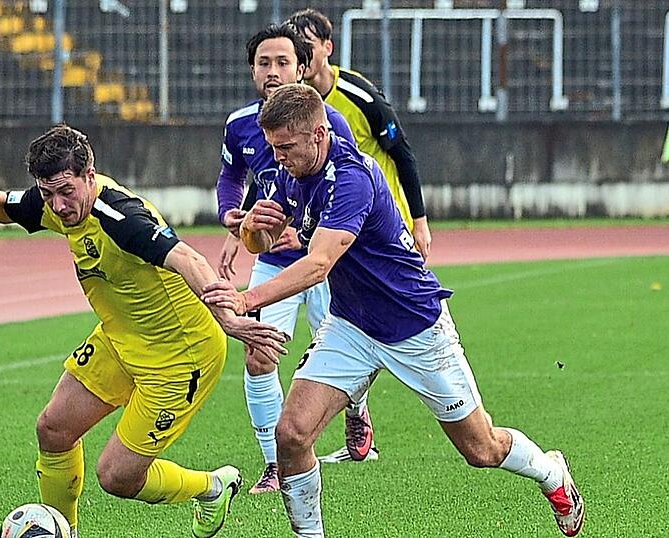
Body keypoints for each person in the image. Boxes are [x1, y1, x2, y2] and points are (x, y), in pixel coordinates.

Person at [202, 84, 585, 537]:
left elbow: (318, 263)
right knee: (292, 434)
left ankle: (551, 473)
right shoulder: (292, 173)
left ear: (318, 134)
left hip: (415, 326)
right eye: (273, 148)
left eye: (285, 147)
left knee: (481, 448)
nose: (278, 157)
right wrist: (253, 230)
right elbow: (268, 242)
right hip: (351, 327)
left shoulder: (352, 178)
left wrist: (246, 300)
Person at [0, 124, 288, 538]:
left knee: (117, 476)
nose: (58, 205)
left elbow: (188, 258)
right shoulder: (55, 201)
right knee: (53, 429)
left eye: (66, 191)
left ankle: (211, 487)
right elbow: (7, 207)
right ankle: (62, 530)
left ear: (90, 175)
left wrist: (228, 317)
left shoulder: (121, 217)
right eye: (48, 193)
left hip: (181, 357)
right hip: (121, 339)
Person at [215, 23, 375, 496]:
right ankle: (274, 464)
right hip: (274, 263)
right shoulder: (240, 125)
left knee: (345, 356)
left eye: (283, 62)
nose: (273, 71)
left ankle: (355, 411)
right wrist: (238, 220)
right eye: (264, 63)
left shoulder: (327, 123)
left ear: (302, 68)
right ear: (252, 71)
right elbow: (231, 179)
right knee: (259, 352)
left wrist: (298, 227)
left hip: (329, 263)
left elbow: (349, 193)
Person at [287, 7, 432, 464]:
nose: (301, 55)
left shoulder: (357, 96)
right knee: (341, 318)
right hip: (336, 228)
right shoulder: (290, 116)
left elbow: (401, 151)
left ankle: (356, 401)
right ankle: (355, 407)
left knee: (377, 310)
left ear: (327, 48)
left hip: (382, 225)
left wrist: (421, 219)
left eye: (307, 46)